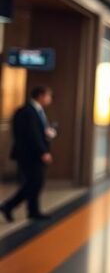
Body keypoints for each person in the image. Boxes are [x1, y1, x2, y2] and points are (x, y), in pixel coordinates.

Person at [1, 86, 57, 222]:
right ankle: (10, 206)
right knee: (34, 182)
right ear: (40, 96)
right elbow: (32, 135)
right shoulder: (27, 111)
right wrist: (43, 151)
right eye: (48, 96)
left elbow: (37, 131)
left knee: (34, 182)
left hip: (33, 153)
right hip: (29, 154)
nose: (50, 99)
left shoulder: (37, 111)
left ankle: (31, 210)